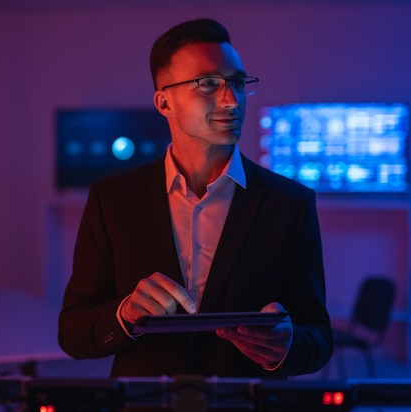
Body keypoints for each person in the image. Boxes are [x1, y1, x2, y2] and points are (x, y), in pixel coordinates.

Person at [58, 18, 332, 379]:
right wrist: (124, 315)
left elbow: (318, 337)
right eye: (207, 84)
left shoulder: (289, 203)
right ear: (164, 102)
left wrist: (286, 346)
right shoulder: (112, 200)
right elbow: (74, 332)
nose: (231, 100)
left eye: (236, 82)